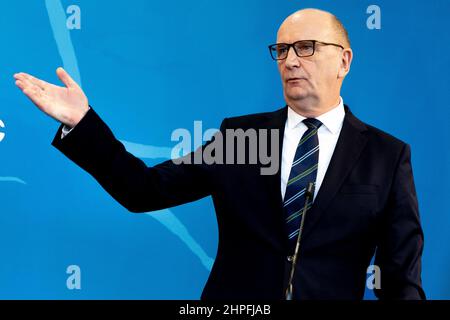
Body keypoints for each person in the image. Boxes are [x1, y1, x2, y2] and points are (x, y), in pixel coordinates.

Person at [13, 8, 425, 300]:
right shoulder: (241, 137)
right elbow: (144, 190)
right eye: (281, 51)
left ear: (345, 60)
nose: (291, 61)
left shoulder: (386, 156)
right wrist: (82, 122)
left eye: (306, 47)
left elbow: (399, 276)